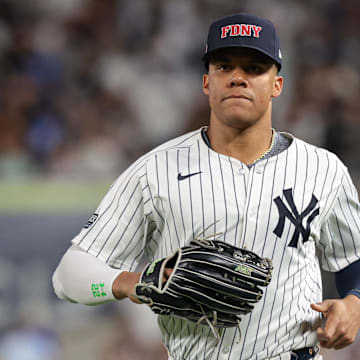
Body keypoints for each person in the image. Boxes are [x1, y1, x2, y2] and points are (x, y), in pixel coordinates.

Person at [52, 13, 360, 360]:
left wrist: (354, 302)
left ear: (277, 85)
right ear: (206, 82)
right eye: (224, 67)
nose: (238, 79)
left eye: (255, 68)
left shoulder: (323, 168)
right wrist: (132, 283)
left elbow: (353, 256)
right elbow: (68, 275)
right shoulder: (154, 171)